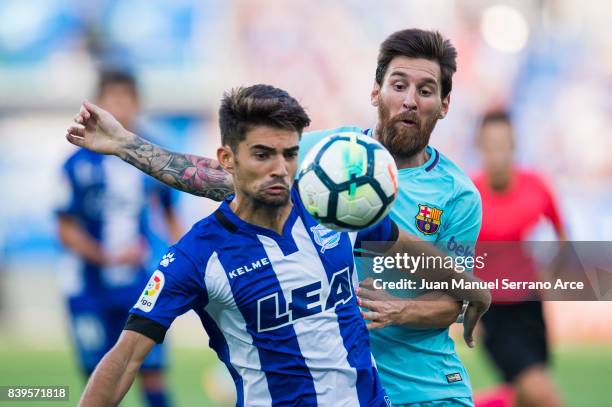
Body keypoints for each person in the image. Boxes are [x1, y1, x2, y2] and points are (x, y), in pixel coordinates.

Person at [67, 29, 485, 406]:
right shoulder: (329, 171)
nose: (281, 168)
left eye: (425, 90)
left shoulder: (449, 195)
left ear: (444, 103)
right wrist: (126, 144)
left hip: (425, 387)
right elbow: (215, 177)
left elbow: (442, 290)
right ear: (376, 91)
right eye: (399, 85)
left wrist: (459, 295)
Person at [56, 70, 179, 407]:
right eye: (113, 99)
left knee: (152, 370)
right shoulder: (77, 163)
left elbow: (169, 214)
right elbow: (65, 228)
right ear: (99, 106)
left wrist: (184, 264)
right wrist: (106, 257)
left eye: (127, 99)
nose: (121, 107)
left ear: (138, 104)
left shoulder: (152, 159)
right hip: (87, 287)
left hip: (138, 285)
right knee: (100, 376)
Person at [471, 111, 565, 407]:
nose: (497, 154)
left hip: (530, 306)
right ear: (480, 147)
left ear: (513, 145)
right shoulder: (469, 195)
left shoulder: (536, 186)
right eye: (490, 145)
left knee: (525, 394)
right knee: (541, 393)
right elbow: (453, 255)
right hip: (493, 312)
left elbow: (562, 235)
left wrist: (550, 273)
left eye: (503, 145)